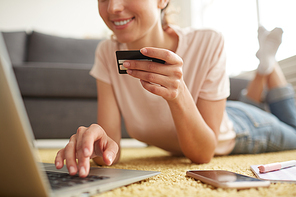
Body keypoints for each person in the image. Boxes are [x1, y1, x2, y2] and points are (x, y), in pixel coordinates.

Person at [55, 0, 296, 178]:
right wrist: (96, 144)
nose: (113, 8)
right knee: (251, 107)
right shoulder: (106, 53)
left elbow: (202, 154)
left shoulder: (209, 41)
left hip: (245, 129)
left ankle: (267, 64)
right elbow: (111, 152)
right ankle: (265, 65)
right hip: (221, 113)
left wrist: (178, 93)